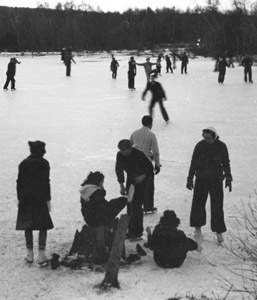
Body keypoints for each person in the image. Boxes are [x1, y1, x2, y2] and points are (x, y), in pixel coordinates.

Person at [186, 127, 233, 250]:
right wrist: (190, 178)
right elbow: (193, 162)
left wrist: (228, 177)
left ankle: (218, 231)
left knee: (217, 205)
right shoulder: (199, 146)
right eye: (204, 137)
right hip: (201, 179)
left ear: (215, 137)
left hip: (216, 180)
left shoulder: (221, 146)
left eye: (208, 138)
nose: (206, 140)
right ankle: (198, 229)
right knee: (198, 205)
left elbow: (226, 162)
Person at [16, 141, 54, 266]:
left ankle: (29, 254)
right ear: (41, 151)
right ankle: (41, 255)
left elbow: (19, 183)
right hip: (40, 199)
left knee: (28, 225)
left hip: (26, 199)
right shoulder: (44, 163)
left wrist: (19, 198)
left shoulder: (23, 163)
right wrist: (48, 199)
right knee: (43, 225)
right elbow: (46, 182)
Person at [115, 139, 154, 240]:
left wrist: (143, 176)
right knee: (129, 204)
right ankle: (131, 231)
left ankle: (138, 232)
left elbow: (150, 169)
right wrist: (121, 185)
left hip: (143, 180)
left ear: (131, 148)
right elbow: (119, 170)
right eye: (123, 151)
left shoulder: (139, 154)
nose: (125, 153)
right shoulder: (120, 155)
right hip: (131, 179)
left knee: (136, 205)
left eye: (127, 150)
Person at [130, 115, 161, 213]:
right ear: (151, 123)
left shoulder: (134, 133)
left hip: (134, 162)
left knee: (135, 184)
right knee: (148, 185)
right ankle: (148, 207)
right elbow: (155, 151)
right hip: (146, 162)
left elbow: (129, 146)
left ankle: (133, 206)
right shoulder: (151, 135)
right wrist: (157, 164)